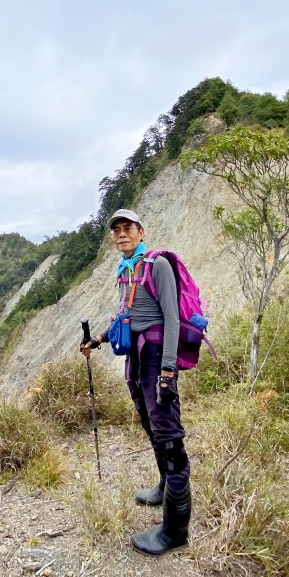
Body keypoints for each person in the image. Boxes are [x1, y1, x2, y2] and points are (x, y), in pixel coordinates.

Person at [79, 208, 191, 556]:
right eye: (116, 230)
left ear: (141, 231)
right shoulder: (125, 270)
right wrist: (98, 339)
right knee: (150, 425)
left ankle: (175, 532)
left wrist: (168, 372)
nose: (121, 234)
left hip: (157, 358)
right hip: (137, 359)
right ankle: (162, 487)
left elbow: (171, 319)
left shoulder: (157, 266)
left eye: (128, 228)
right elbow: (125, 315)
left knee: (170, 439)